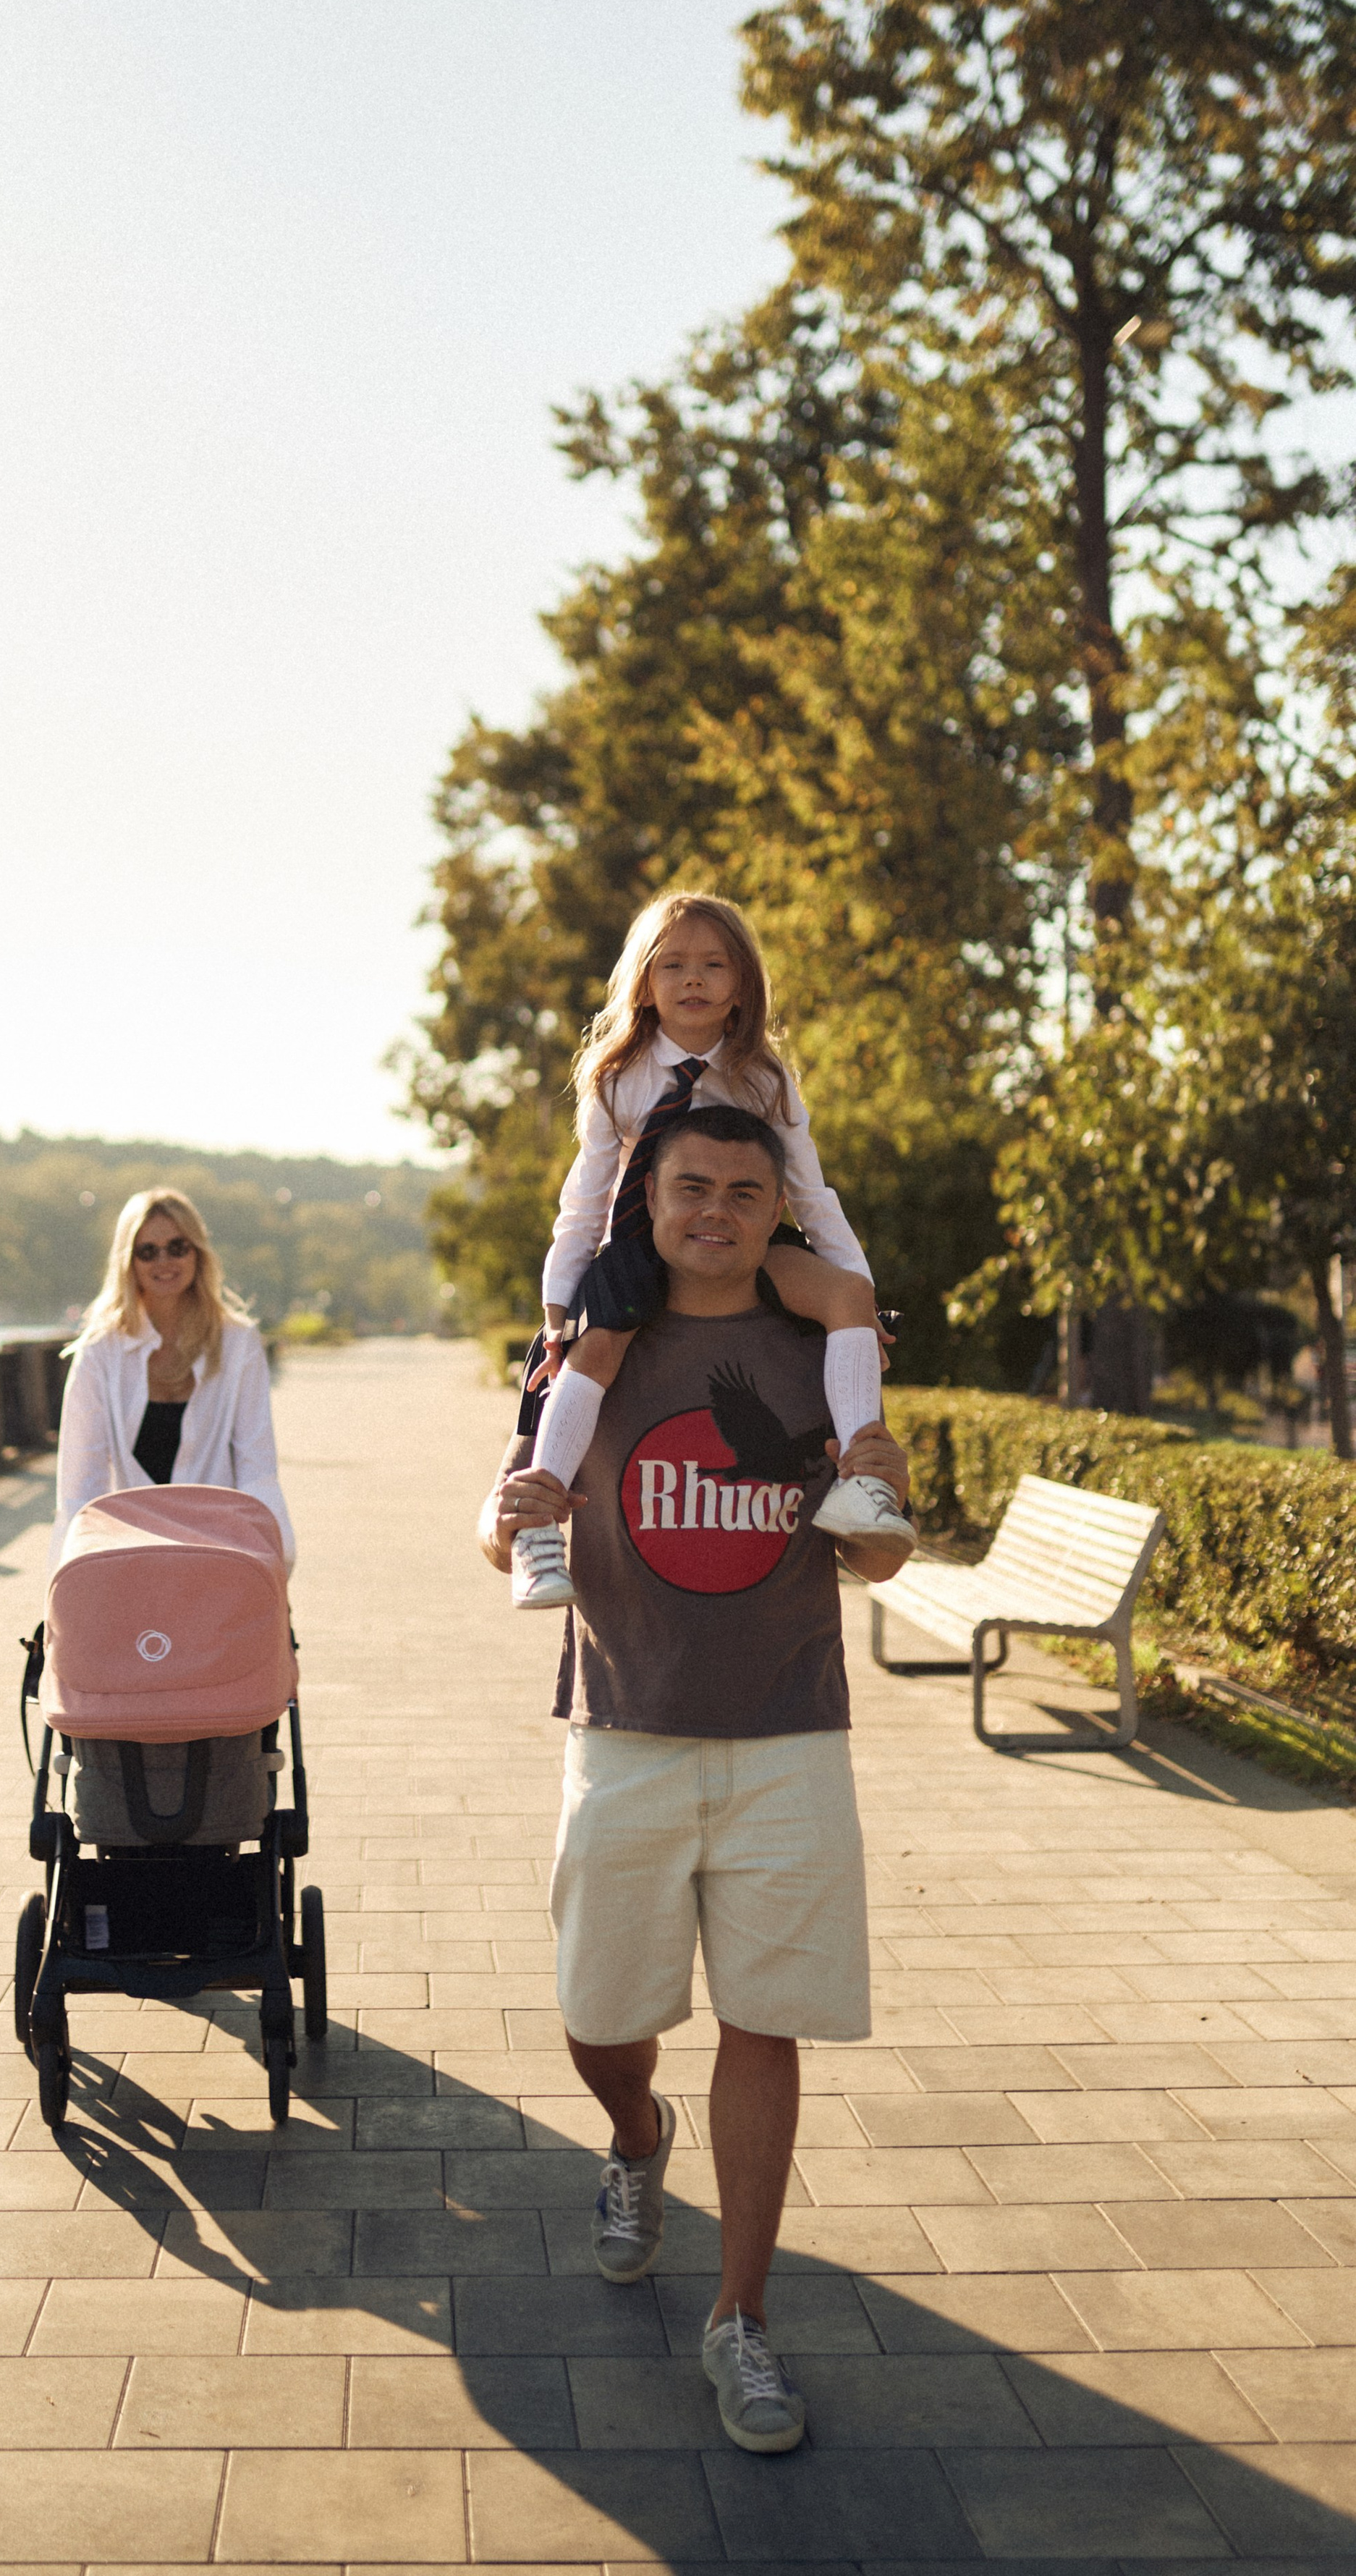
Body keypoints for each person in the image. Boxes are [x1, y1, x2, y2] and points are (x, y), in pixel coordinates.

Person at [478, 1104, 912, 2457]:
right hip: (627, 1726)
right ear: (646, 1199)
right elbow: (505, 1523)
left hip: (788, 1733)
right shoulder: (593, 1339)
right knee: (598, 2016)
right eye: (689, 1187)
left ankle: (743, 2318)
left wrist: (889, 1492)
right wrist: (506, 1526)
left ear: (777, 1205)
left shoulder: (824, 1345)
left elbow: (878, 1557)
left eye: (742, 1189)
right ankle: (631, 2133)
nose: (715, 1210)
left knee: (764, 2020)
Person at [509, 890, 912, 1610]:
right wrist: (556, 1310)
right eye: (673, 965)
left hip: (744, 1245)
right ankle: (538, 1532)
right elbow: (585, 1200)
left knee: (845, 1298)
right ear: (645, 983)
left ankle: (862, 1486)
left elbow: (811, 1196)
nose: (692, 979)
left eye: (712, 964)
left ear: (739, 988)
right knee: (595, 1349)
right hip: (640, 1244)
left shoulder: (764, 1077)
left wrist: (863, 1291)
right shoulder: (614, 1075)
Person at [50, 1186, 294, 1573]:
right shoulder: (100, 1351)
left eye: (178, 1246)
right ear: (129, 1261)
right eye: (148, 1251)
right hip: (129, 1556)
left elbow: (256, 1465)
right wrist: (67, 1580)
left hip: (220, 1553)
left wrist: (275, 1563)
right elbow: (81, 1482)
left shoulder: (238, 1343)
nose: (164, 1261)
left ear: (197, 1252)